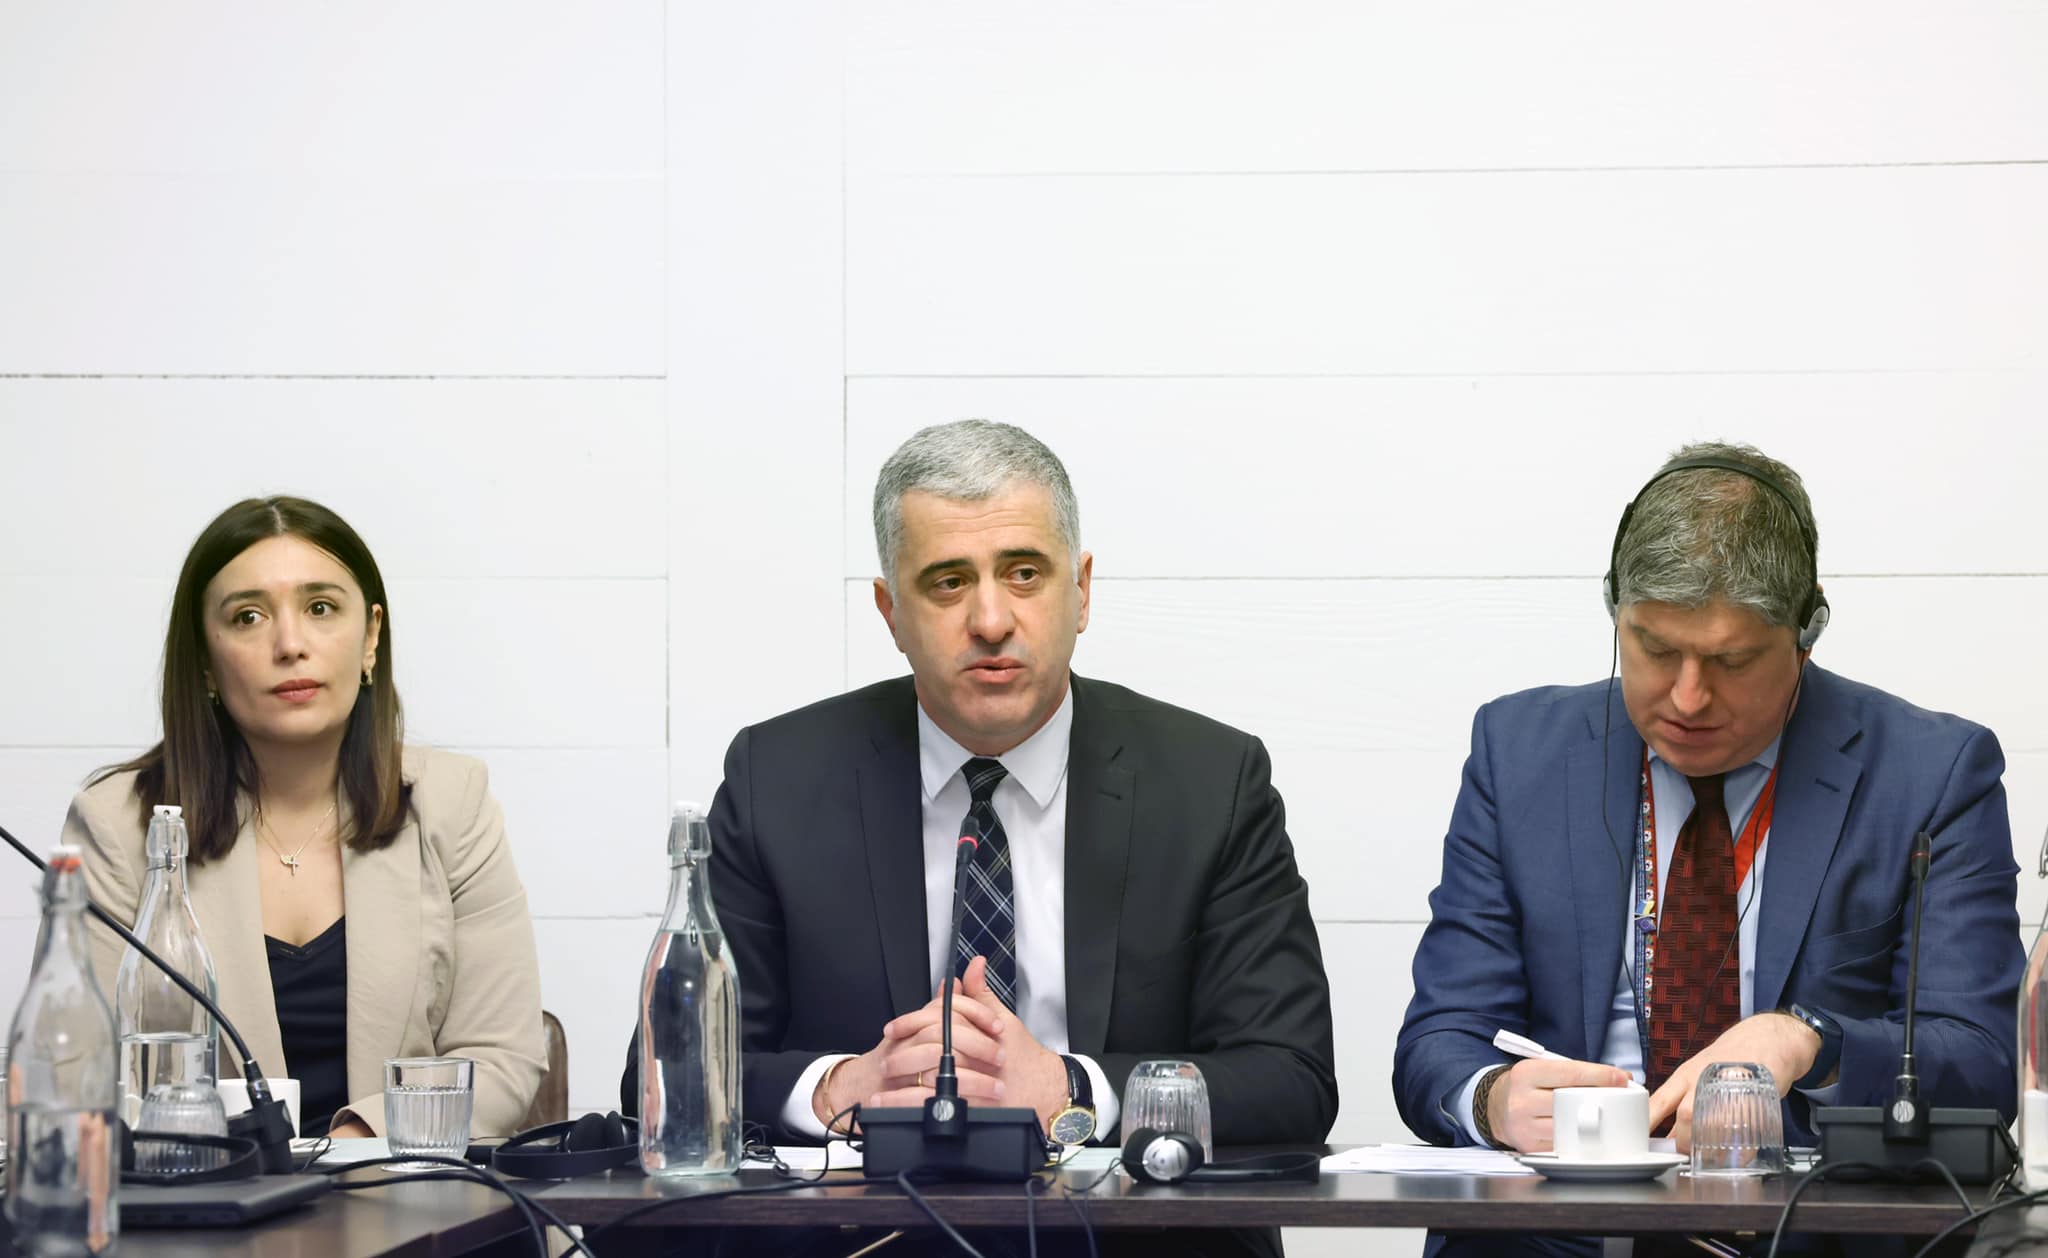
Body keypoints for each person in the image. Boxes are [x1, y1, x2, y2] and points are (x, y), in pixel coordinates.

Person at [622, 419, 1337, 1255]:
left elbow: (1291, 1079)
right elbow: (667, 1076)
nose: (991, 619)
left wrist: (1071, 1089)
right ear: (891, 611)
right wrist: (842, 1088)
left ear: (1082, 591)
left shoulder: (1211, 781)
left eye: (1024, 573)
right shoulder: (777, 778)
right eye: (948, 582)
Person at [1394, 443, 2022, 1257]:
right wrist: (1491, 1099)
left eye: (1731, 660)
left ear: (1805, 635)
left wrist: (1811, 1042)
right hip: (1554, 1238)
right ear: (1615, 614)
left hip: (1802, 1234)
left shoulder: (1931, 773)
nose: (1688, 697)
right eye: (1655, 649)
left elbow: (1983, 1065)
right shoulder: (1518, 753)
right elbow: (1439, 1040)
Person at [66, 496, 544, 1138]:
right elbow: (77, 1072)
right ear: (204, 659)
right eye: (248, 617)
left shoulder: (453, 802)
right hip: (203, 1188)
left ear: (370, 636)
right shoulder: (117, 826)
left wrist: (348, 1151)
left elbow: (501, 1060)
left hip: (403, 1185)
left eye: (320, 608)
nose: (290, 645)